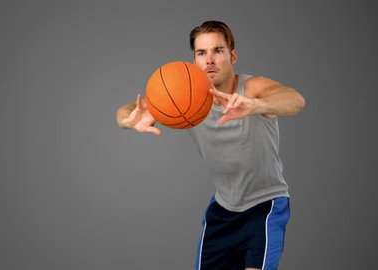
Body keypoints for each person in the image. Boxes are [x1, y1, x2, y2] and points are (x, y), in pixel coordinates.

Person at [116, 21, 305, 270]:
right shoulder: (186, 99)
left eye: (218, 50)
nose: (210, 60)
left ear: (233, 55)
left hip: (265, 206)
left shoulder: (251, 88)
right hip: (223, 210)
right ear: (194, 60)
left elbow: (294, 99)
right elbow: (124, 111)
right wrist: (130, 121)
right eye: (201, 53)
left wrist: (256, 106)